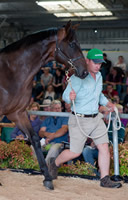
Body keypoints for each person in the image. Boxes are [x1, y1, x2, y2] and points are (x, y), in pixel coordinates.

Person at [48, 48, 122, 188]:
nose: (98, 66)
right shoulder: (78, 77)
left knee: (104, 147)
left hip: (95, 118)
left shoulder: (99, 76)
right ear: (87, 61)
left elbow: (99, 95)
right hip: (79, 119)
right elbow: (65, 96)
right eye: (95, 63)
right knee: (75, 152)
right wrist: (69, 98)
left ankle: (104, 179)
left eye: (100, 63)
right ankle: (54, 163)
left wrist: (108, 103)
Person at [39, 100, 69, 165]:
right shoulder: (47, 119)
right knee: (34, 146)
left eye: (59, 108)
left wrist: (52, 136)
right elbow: (41, 132)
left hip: (60, 143)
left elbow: (64, 130)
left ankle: (45, 167)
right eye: (56, 108)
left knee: (54, 148)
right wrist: (48, 135)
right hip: (47, 142)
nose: (58, 110)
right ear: (52, 109)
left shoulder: (65, 117)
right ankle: (35, 165)